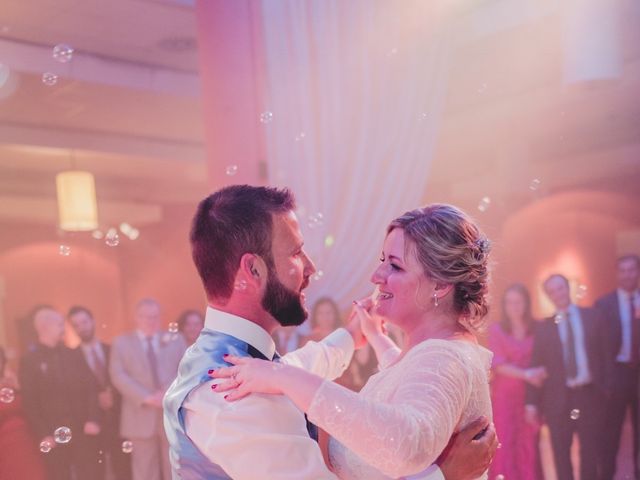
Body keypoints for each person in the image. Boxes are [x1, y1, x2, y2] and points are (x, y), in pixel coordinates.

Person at [212, 201, 495, 479]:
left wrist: (283, 376)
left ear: (441, 285)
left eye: (395, 266)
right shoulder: (438, 354)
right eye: (382, 261)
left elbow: (404, 445)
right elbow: (406, 378)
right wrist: (374, 337)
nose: (376, 276)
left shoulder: (444, 358)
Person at [525, 274, 606, 480]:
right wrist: (532, 402)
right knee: (561, 454)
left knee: (591, 452)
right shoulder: (544, 328)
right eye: (552, 291)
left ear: (567, 288)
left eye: (560, 288)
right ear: (549, 296)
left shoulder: (593, 317)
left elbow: (605, 354)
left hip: (588, 395)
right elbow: (536, 366)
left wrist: (606, 390)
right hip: (558, 399)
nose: (557, 294)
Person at [18, 305, 102, 480]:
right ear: (43, 327)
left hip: (82, 430)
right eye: (59, 324)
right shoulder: (29, 361)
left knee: (91, 475)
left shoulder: (73, 354)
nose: (63, 328)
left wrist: (93, 419)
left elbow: (91, 388)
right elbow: (30, 402)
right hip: (52, 435)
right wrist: (44, 434)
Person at [110, 298, 186, 480]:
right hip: (139, 415)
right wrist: (146, 397)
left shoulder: (176, 339)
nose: (150, 321)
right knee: (144, 471)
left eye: (155, 316)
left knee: (176, 468)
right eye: (145, 317)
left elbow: (185, 369)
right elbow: (117, 375)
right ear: (136, 318)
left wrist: (165, 394)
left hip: (170, 415)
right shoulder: (121, 343)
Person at [488, 284, 546, 480]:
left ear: (526, 304)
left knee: (528, 444)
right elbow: (498, 364)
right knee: (505, 442)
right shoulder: (496, 329)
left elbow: (545, 359)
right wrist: (528, 374)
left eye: (518, 302)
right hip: (505, 396)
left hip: (530, 396)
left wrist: (538, 374)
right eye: (509, 302)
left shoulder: (538, 329)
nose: (513, 306)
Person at [67, 305, 132, 480]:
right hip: (90, 426)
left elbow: (126, 383)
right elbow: (72, 395)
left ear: (92, 321)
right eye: (76, 325)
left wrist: (114, 399)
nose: (82, 327)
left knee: (124, 471)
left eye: (84, 322)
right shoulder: (70, 358)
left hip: (118, 422)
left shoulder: (113, 351)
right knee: (94, 474)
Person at [595, 254, 640, 479]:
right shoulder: (604, 305)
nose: (627, 275)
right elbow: (596, 347)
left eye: (632, 270)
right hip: (616, 377)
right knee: (610, 435)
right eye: (623, 270)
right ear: (617, 274)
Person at [0, 345, 47, 480]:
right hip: (3, 443)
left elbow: (31, 406)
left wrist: (19, 388)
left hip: (26, 439)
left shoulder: (12, 380)